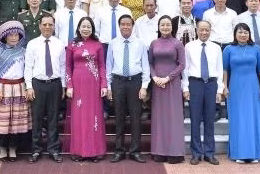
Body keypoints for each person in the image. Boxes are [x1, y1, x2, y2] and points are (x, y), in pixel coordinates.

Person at [0, 22, 32, 162]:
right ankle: (2, 149)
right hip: (2, 89)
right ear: (4, 36)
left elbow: (28, 70)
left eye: (16, 34)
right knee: (2, 121)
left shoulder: (24, 51)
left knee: (16, 120)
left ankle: (13, 149)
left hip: (19, 89)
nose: (14, 37)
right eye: (11, 34)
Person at [106, 14, 149, 163]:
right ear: (119, 26)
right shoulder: (113, 43)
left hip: (135, 82)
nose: (125, 27)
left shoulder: (140, 43)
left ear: (132, 26)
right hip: (118, 82)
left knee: (136, 117)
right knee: (119, 116)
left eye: (128, 24)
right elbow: (109, 66)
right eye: (123, 24)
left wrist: (144, 86)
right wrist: (109, 86)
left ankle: (135, 151)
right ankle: (119, 150)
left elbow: (145, 66)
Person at [223, 22, 260, 163]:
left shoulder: (256, 49)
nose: (243, 35)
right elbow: (225, 70)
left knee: (253, 119)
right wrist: (224, 86)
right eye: (240, 32)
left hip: (253, 87)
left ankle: (254, 153)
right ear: (235, 34)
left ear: (249, 34)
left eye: (245, 32)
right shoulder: (228, 49)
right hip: (235, 88)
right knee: (238, 120)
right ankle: (238, 153)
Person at [65, 17, 107, 162]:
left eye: (88, 26)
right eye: (83, 26)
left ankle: (95, 151)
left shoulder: (98, 45)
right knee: (79, 118)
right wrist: (69, 85)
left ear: (92, 28)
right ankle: (78, 151)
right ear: (78, 28)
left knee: (94, 116)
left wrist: (104, 85)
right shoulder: (72, 45)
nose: (86, 29)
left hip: (94, 85)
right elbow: (68, 67)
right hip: (77, 85)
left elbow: (102, 66)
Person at [25, 14, 66, 163]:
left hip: (55, 84)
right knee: (37, 118)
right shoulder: (32, 44)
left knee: (53, 118)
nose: (47, 27)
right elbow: (28, 67)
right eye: (45, 24)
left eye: (50, 24)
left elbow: (62, 66)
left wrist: (63, 85)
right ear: (39, 26)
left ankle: (53, 149)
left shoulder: (59, 44)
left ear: (54, 26)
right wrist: (29, 86)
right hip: (38, 85)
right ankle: (36, 149)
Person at [182, 21, 223, 165]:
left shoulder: (216, 48)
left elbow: (219, 68)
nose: (204, 32)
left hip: (211, 84)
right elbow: (185, 69)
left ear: (210, 31)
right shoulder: (189, 46)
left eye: (207, 30)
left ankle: (209, 152)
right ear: (197, 30)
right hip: (195, 83)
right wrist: (185, 88)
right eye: (201, 30)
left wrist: (219, 89)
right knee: (195, 119)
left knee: (209, 119)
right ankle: (196, 153)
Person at [148, 15, 186, 164]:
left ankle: (174, 152)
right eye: (162, 25)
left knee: (173, 117)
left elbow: (182, 64)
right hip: (157, 84)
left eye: (168, 25)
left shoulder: (177, 44)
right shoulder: (154, 43)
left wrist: (168, 78)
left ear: (172, 27)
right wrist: (154, 77)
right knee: (159, 117)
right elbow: (150, 62)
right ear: (158, 27)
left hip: (172, 83)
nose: (165, 27)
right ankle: (159, 151)